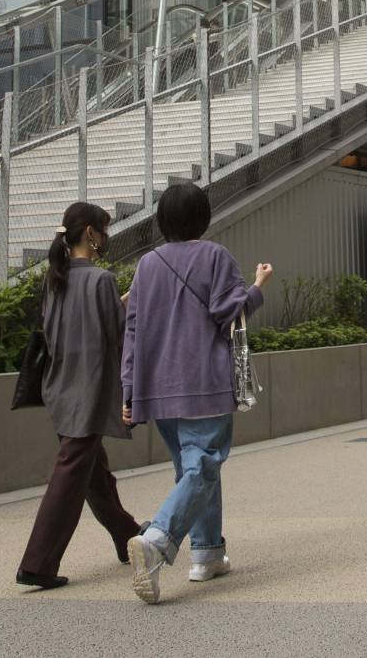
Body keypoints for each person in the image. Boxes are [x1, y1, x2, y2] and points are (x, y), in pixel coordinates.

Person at [121, 183, 273, 603]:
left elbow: (132, 331)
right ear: (203, 218)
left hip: (158, 386)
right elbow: (229, 313)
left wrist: (130, 390)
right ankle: (158, 539)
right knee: (203, 465)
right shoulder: (214, 256)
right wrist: (258, 286)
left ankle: (207, 553)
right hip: (202, 381)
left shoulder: (147, 264)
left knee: (194, 470)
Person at [17, 201, 144, 590]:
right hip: (89, 392)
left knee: (93, 474)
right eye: (104, 230)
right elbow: (117, 335)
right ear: (90, 233)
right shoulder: (100, 280)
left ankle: (128, 534)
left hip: (59, 388)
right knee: (72, 473)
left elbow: (70, 326)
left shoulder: (55, 279)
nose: (106, 237)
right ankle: (37, 563)